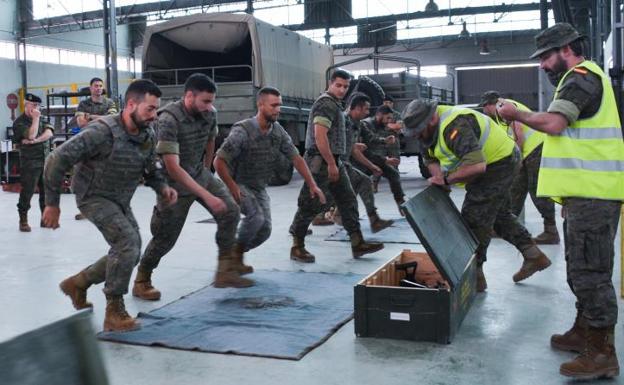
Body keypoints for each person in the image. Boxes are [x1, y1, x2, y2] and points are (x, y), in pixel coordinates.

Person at [497, 23, 624, 380]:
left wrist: (516, 113)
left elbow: (554, 124)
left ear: (566, 49)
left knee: (592, 274)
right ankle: (584, 332)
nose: (542, 65)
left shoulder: (581, 77)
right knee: (579, 268)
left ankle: (602, 353)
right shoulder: (583, 78)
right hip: (584, 194)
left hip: (595, 194)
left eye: (545, 57)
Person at [43, 79, 177, 332]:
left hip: (119, 198)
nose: (153, 115)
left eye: (156, 110)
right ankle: (113, 311)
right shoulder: (101, 131)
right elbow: (56, 159)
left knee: (132, 250)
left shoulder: (147, 134)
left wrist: (162, 188)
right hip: (92, 196)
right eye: (149, 109)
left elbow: (151, 167)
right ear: (130, 105)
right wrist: (52, 204)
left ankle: (78, 283)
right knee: (126, 243)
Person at [401, 100, 551, 293]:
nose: (418, 136)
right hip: (492, 161)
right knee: (498, 216)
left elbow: (476, 167)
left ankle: (475, 276)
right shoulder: (426, 129)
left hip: (500, 162)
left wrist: (447, 180)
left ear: (432, 119)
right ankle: (534, 256)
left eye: (419, 130)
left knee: (474, 218)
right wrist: (438, 177)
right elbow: (429, 156)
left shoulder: (455, 126)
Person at [132, 73, 249, 302]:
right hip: (173, 182)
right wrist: (205, 193)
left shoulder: (209, 113)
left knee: (231, 212)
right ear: (188, 96)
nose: (210, 106)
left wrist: (206, 171)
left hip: (198, 173)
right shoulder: (169, 119)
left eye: (212, 101)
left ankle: (224, 271)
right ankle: (142, 280)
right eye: (205, 101)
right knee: (165, 238)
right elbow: (172, 167)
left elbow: (210, 140)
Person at [214, 86, 326, 268]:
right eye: (274, 106)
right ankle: (232, 259)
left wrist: (312, 184)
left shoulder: (277, 131)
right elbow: (218, 162)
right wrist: (232, 186)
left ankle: (234, 252)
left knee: (265, 230)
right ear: (260, 105)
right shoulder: (243, 130)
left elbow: (296, 158)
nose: (278, 109)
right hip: (237, 183)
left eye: (279, 105)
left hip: (258, 186)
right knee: (256, 217)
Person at [288, 69, 384, 263]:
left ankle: (357, 243)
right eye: (338, 85)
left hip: (334, 161)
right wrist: (331, 163)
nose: (342, 90)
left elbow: (333, 135)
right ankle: (297, 246)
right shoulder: (325, 104)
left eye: (346, 86)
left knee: (348, 199)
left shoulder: (335, 104)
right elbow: (320, 136)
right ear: (330, 84)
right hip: (320, 162)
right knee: (310, 203)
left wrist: (339, 157)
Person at [480, 91, 559, 244]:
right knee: (516, 188)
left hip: (535, 149)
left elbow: (519, 136)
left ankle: (551, 230)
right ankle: (508, 227)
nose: (484, 112)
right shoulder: (499, 112)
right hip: (526, 152)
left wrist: (517, 160)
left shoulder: (506, 108)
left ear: (490, 104)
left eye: (484, 108)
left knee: (537, 189)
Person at [332, 92, 394, 232]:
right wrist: (371, 165)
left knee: (360, 183)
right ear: (357, 108)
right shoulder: (343, 122)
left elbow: (362, 143)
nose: (367, 112)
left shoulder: (357, 123)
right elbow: (351, 149)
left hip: (344, 164)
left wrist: (384, 142)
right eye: (366, 109)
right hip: (334, 164)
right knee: (327, 196)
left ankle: (369, 221)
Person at [74, 77, 118, 220]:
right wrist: (101, 118)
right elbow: (81, 123)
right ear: (90, 88)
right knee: (85, 178)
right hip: (88, 145)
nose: (98, 88)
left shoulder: (109, 103)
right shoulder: (83, 104)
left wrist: (90, 116)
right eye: (96, 86)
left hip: (105, 145)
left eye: (100, 86)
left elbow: (112, 120)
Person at [13, 93, 54, 232]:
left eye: (38, 105)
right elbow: (30, 134)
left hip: (46, 160)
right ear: (26, 104)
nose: (36, 108)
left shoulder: (43, 118)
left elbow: (49, 133)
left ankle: (44, 219)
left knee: (46, 193)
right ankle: (23, 220)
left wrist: (35, 141)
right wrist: (35, 119)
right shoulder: (19, 122)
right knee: (28, 192)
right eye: (33, 105)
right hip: (30, 163)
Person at [358, 105, 406, 214]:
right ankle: (332, 212)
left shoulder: (379, 125)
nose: (389, 121)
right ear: (379, 115)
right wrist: (385, 160)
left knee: (393, 174)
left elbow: (373, 139)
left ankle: (401, 202)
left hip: (375, 159)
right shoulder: (366, 124)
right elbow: (364, 150)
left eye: (391, 118)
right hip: (361, 161)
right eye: (387, 118)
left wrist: (385, 141)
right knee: (354, 184)